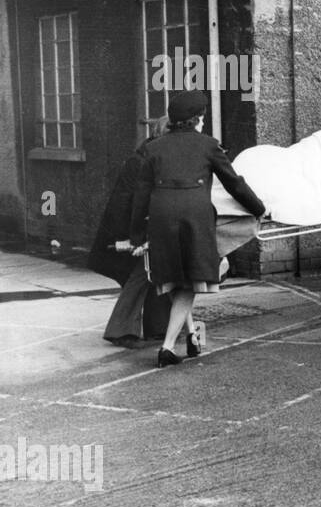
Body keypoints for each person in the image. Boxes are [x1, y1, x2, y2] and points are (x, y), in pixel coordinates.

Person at [130, 90, 266, 367]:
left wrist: (136, 235)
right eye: (202, 118)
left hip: (162, 218)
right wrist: (258, 208)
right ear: (197, 119)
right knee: (189, 282)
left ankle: (191, 335)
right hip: (194, 218)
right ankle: (167, 347)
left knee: (176, 281)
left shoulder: (153, 148)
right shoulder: (208, 145)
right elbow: (233, 183)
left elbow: (140, 195)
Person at [88, 115, 172, 346]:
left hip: (139, 231)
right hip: (130, 233)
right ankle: (122, 330)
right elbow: (122, 202)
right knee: (142, 275)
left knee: (151, 273)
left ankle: (155, 328)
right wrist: (124, 237)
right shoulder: (142, 162)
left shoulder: (147, 158)